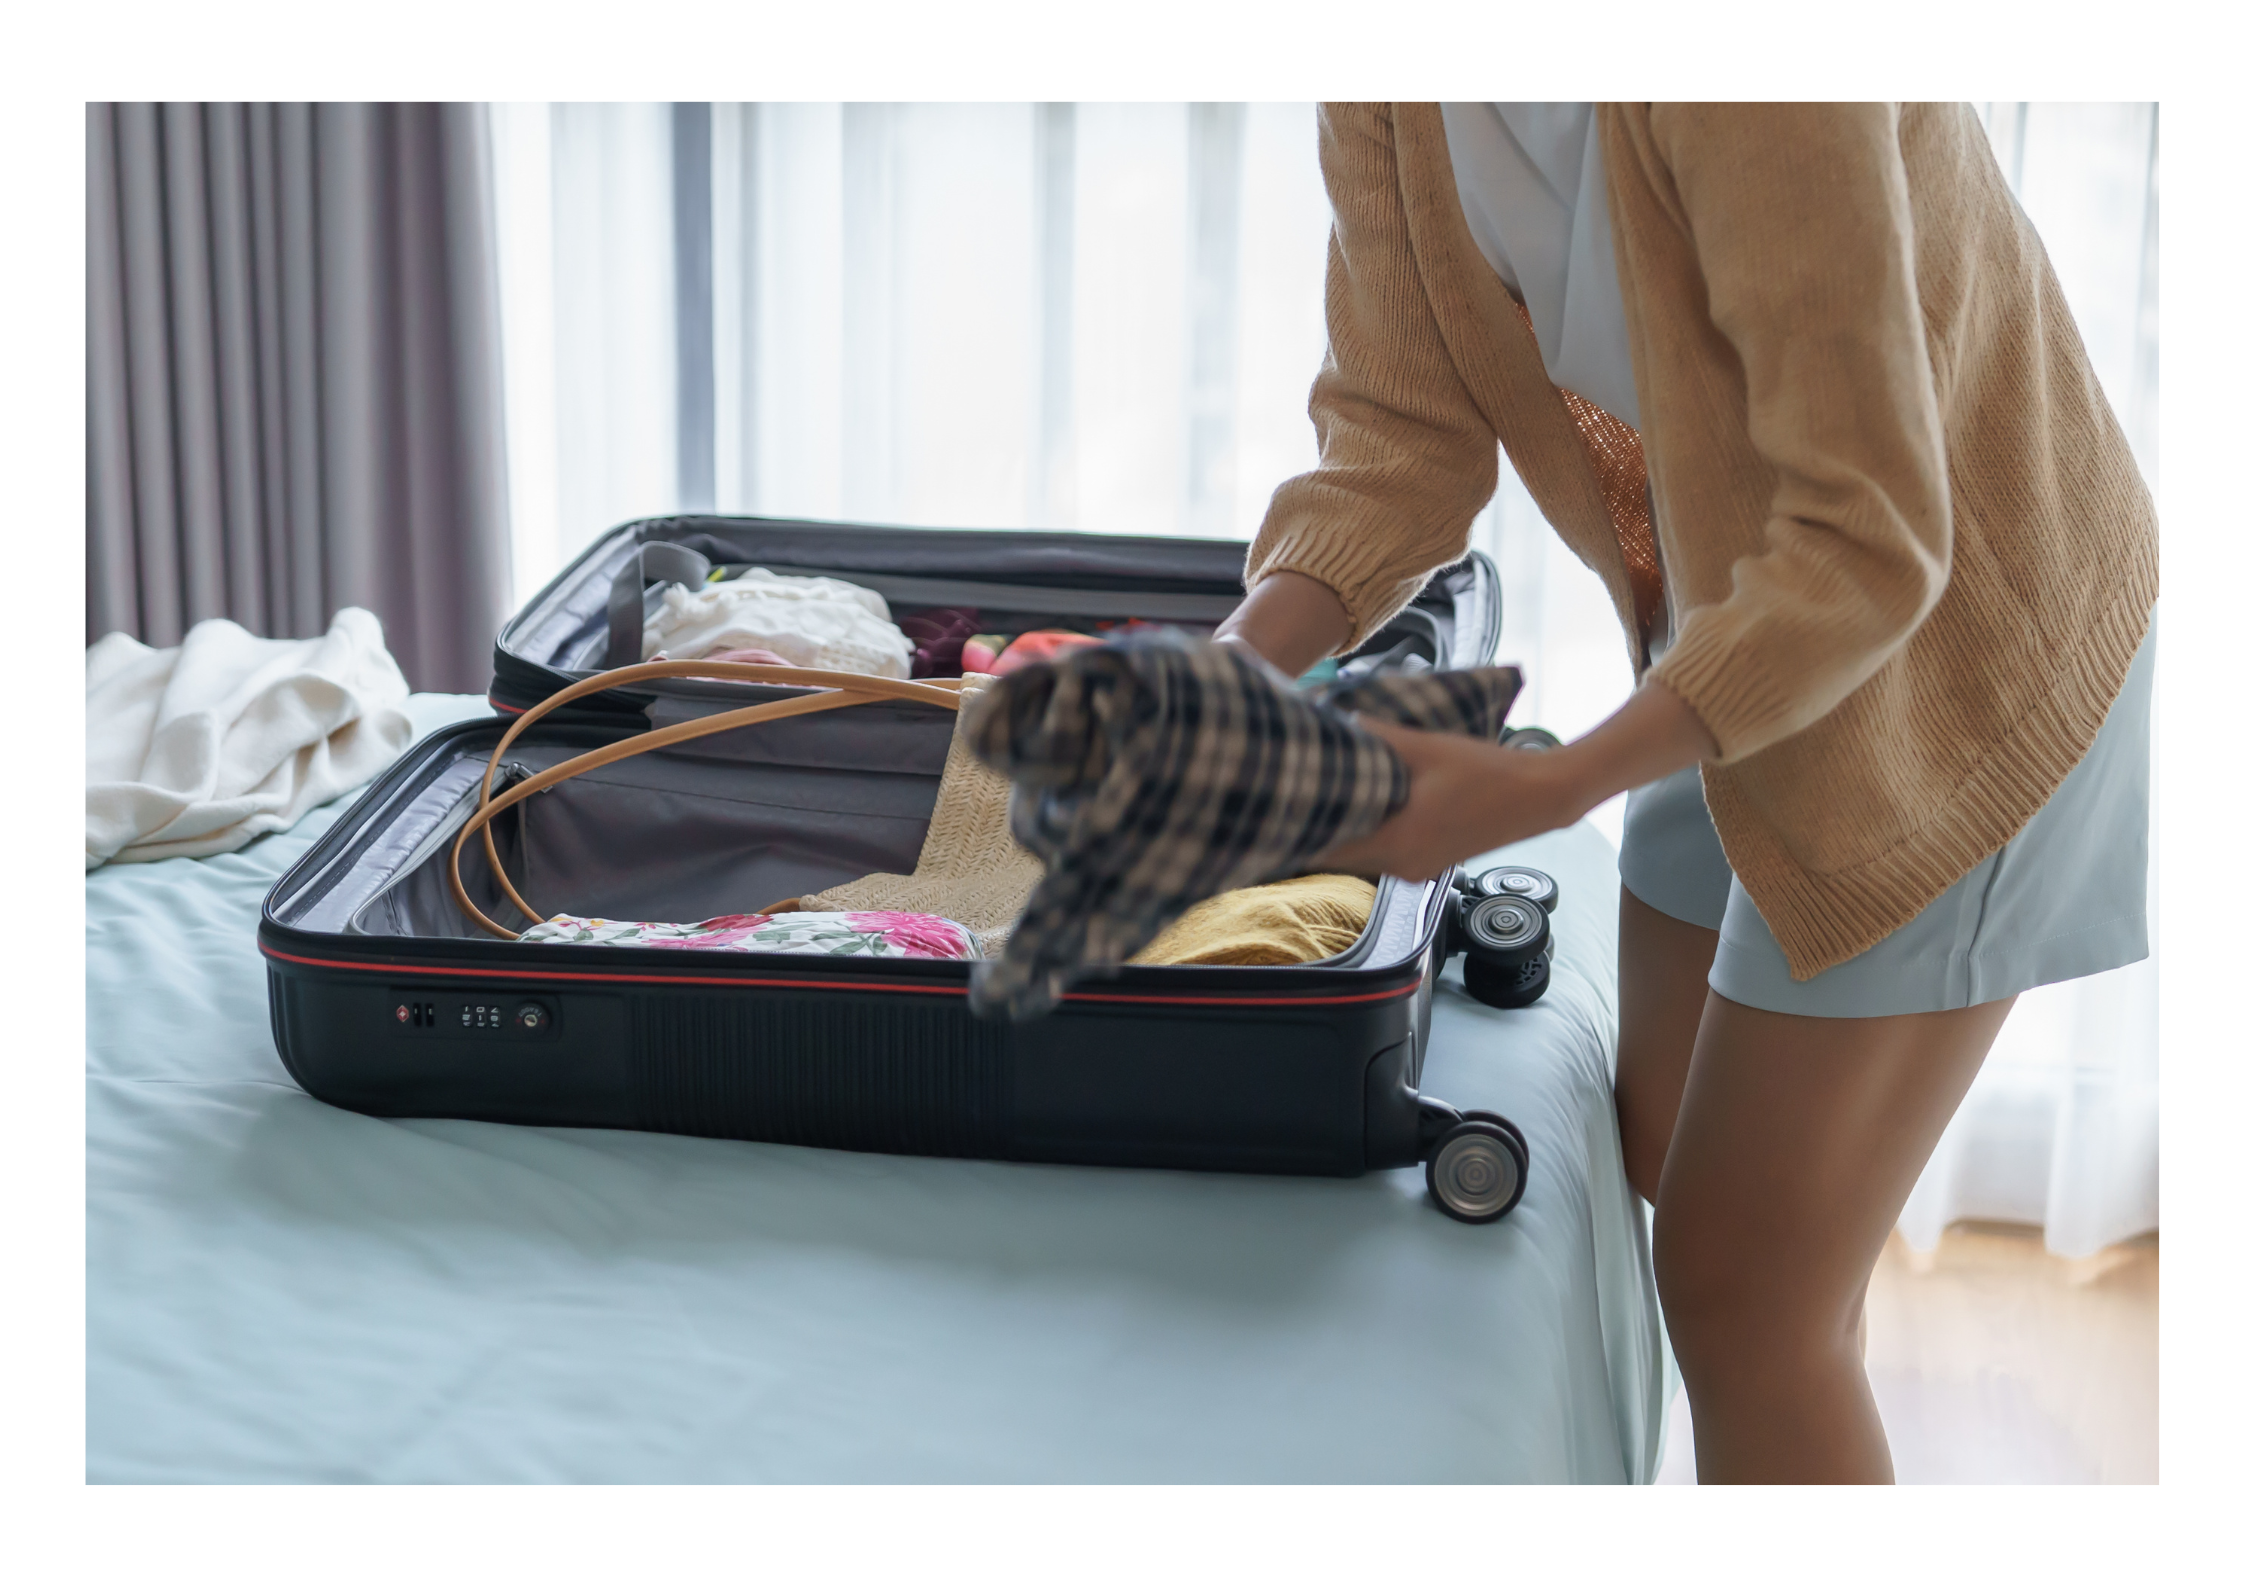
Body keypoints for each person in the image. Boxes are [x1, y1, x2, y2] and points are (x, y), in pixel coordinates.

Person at [1212, 102, 2158, 1485]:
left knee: (1739, 1295)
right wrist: (1221, 677)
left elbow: (1869, 537)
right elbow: (1398, 433)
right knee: (1667, 1138)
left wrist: (1548, 787)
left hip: (1955, 661)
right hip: (1739, 635)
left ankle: (1802, 1360)